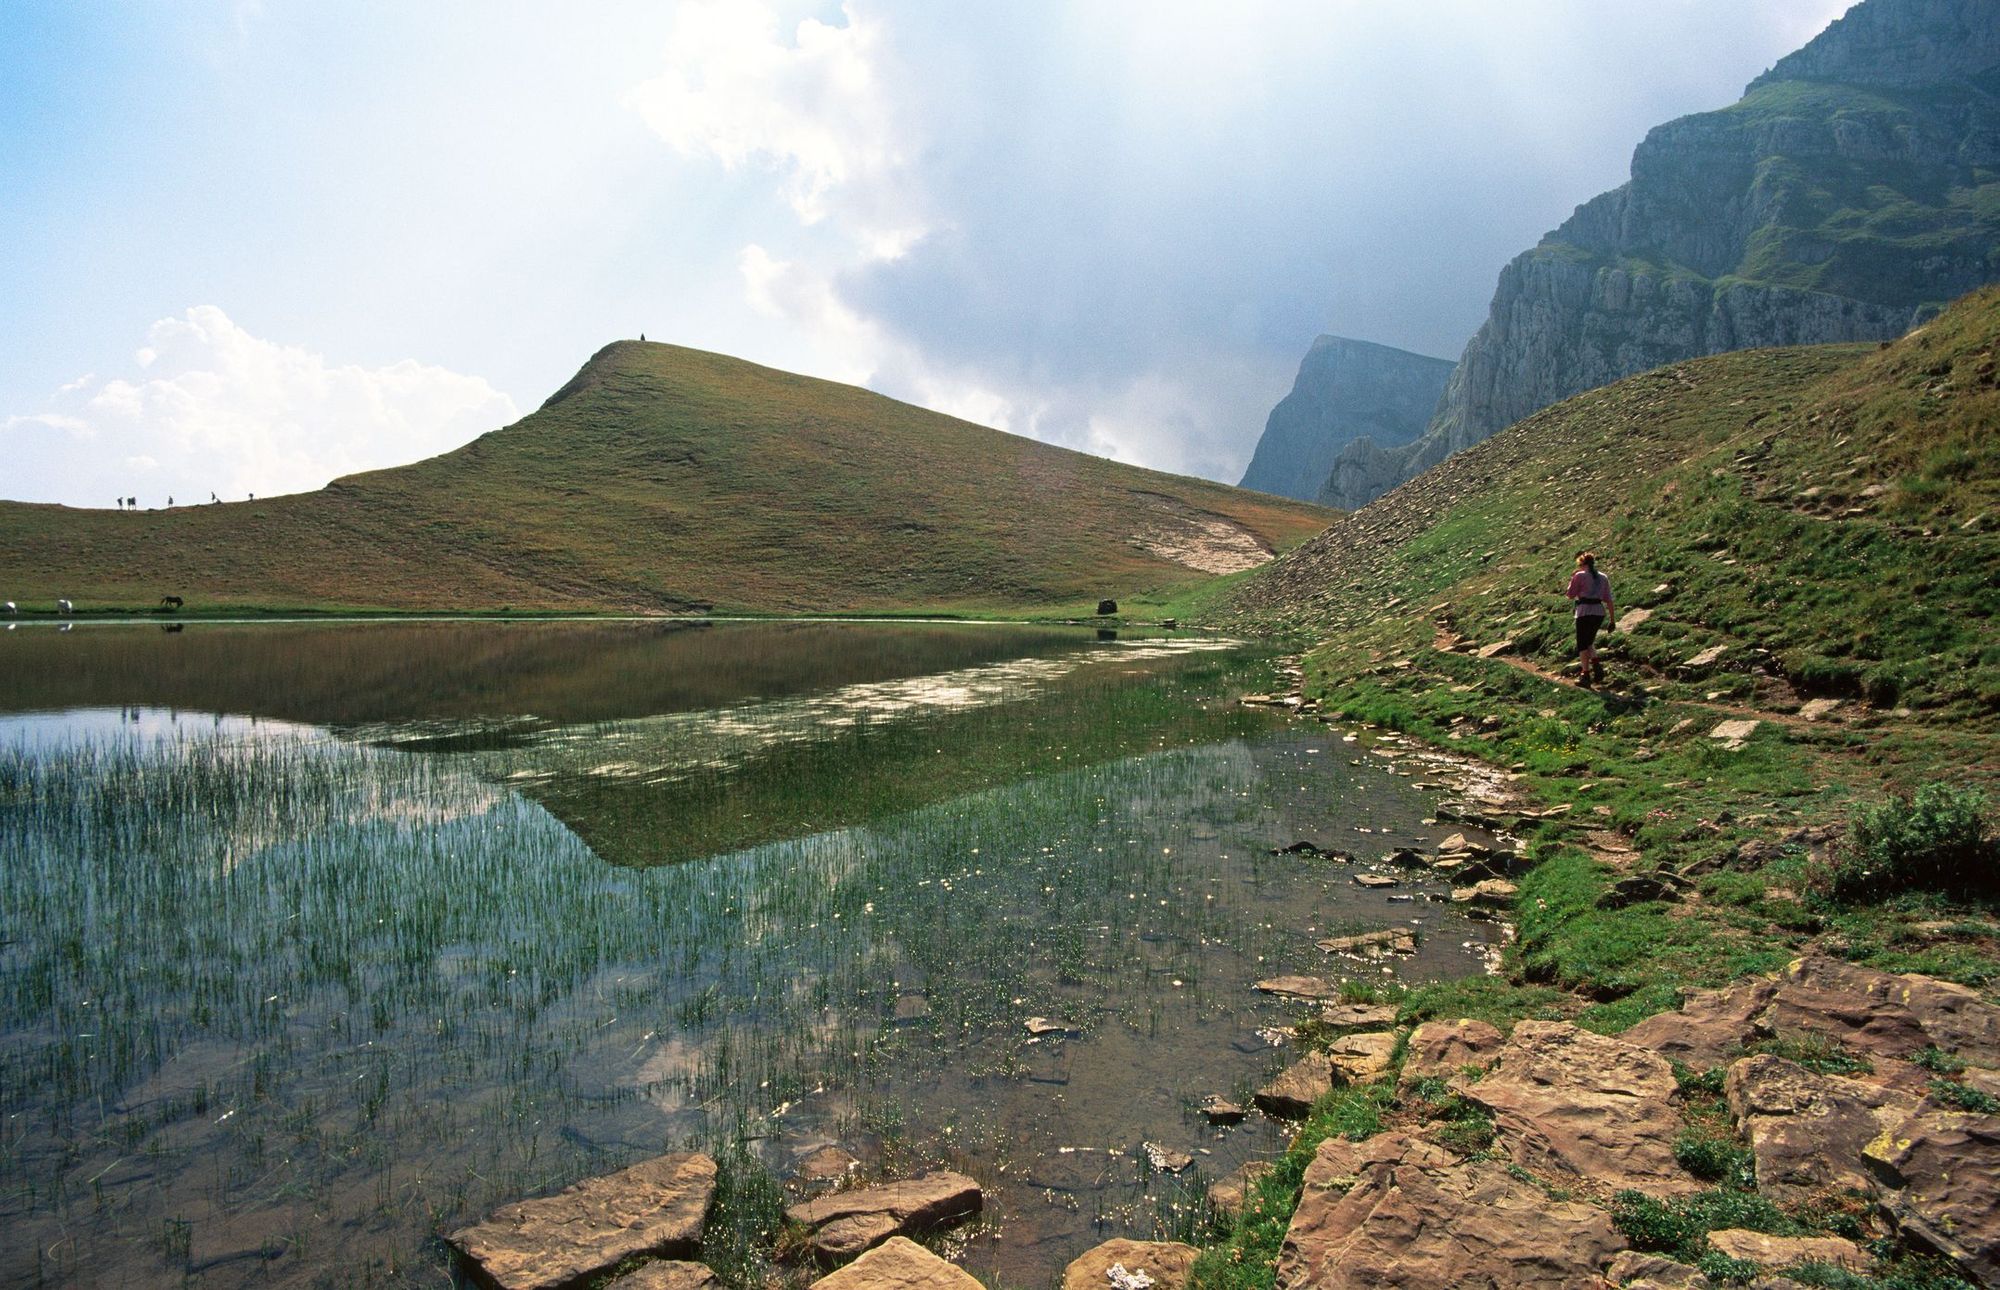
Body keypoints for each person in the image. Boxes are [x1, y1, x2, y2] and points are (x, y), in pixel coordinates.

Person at [1565, 550, 1615, 683]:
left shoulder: (1580, 575)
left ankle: (1585, 673)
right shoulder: (1603, 577)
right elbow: (1608, 599)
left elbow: (1570, 595)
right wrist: (1612, 620)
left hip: (1583, 612)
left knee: (1582, 643)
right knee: (1589, 641)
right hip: (1599, 612)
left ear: (1582, 564)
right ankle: (1596, 664)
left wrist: (1572, 579)